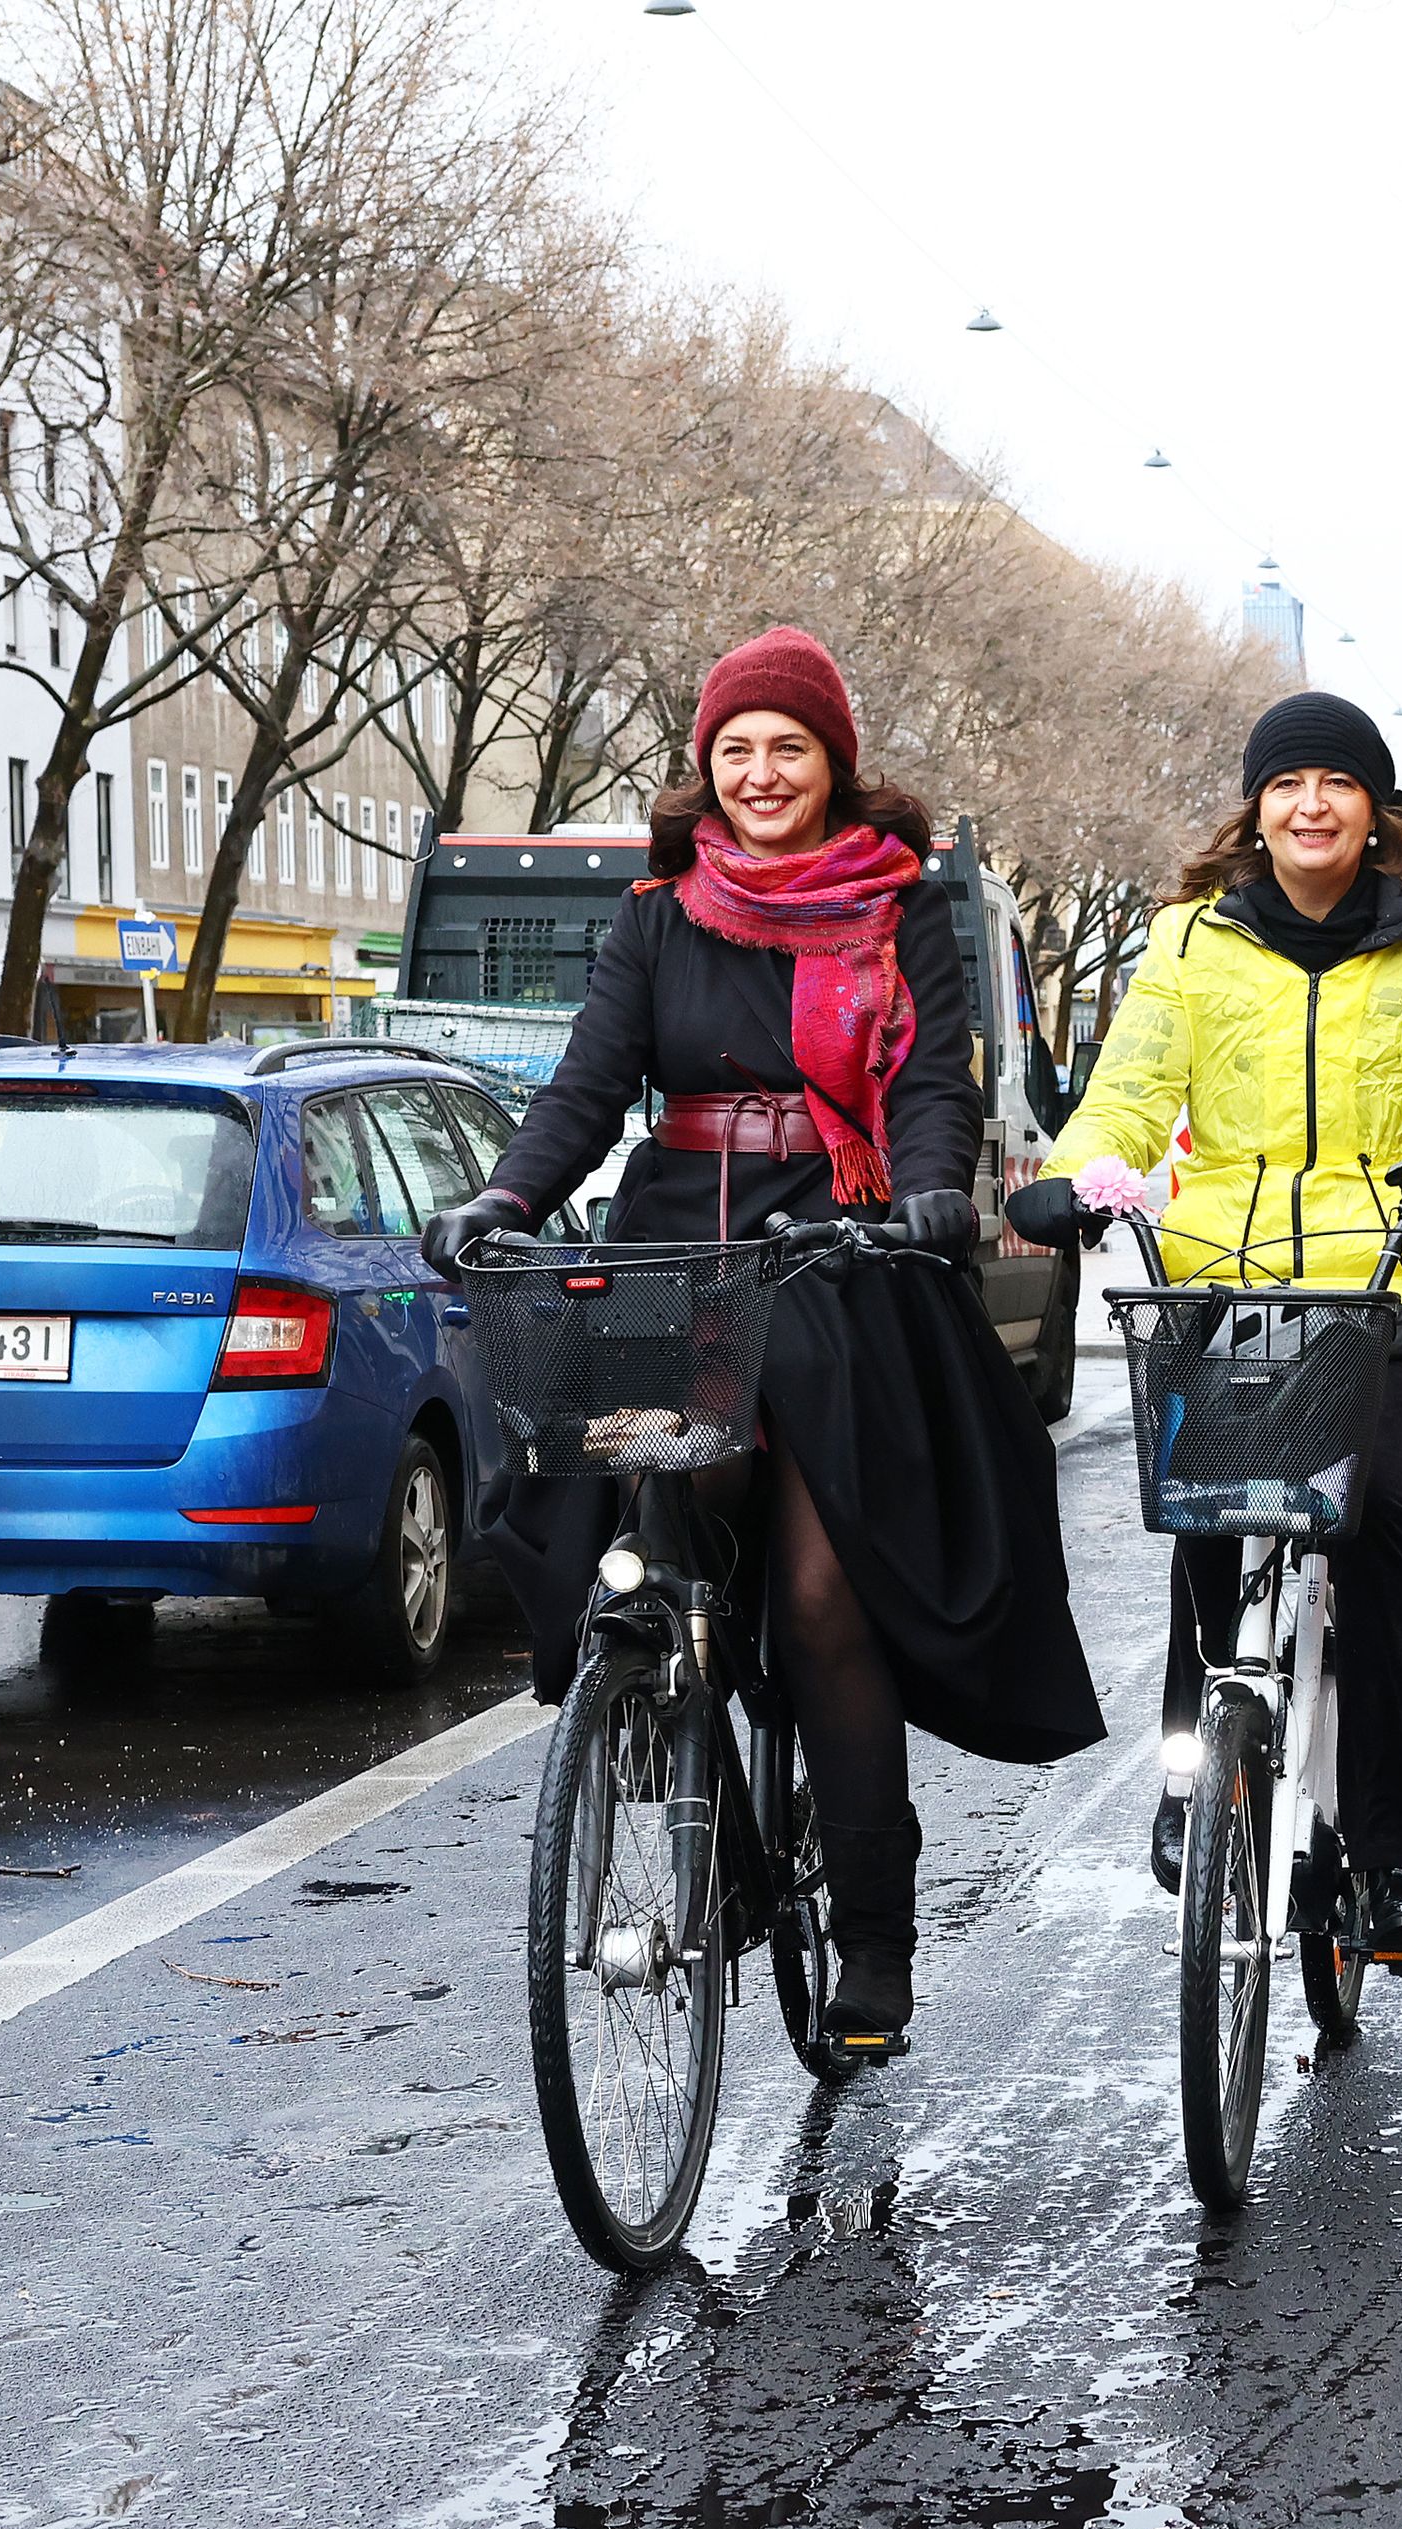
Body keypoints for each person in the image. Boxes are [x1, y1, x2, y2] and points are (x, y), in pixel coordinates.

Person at [419, 627, 1104, 2042]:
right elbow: (586, 1085)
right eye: (735, 749)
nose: (761, 771)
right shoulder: (659, 910)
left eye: (787, 745)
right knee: (641, 1537)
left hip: (844, 1253)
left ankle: (873, 1937)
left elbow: (932, 1072)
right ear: (706, 770)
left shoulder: (899, 902)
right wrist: (502, 1195)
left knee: (814, 1597)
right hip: (680, 1249)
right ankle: (704, 1804)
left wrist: (928, 1190)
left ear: (834, 760)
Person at [1009, 692, 1402, 1972]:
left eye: (1339, 784)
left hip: (1401, 1286)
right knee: (1210, 1513)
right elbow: (1131, 1094)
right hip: (1225, 1281)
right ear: (1256, 805)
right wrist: (1074, 1179)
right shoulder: (1188, 943)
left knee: (1372, 1519)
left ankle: (1397, 1850)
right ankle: (1193, 1775)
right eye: (1288, 782)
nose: (1312, 804)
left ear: (1374, 810)